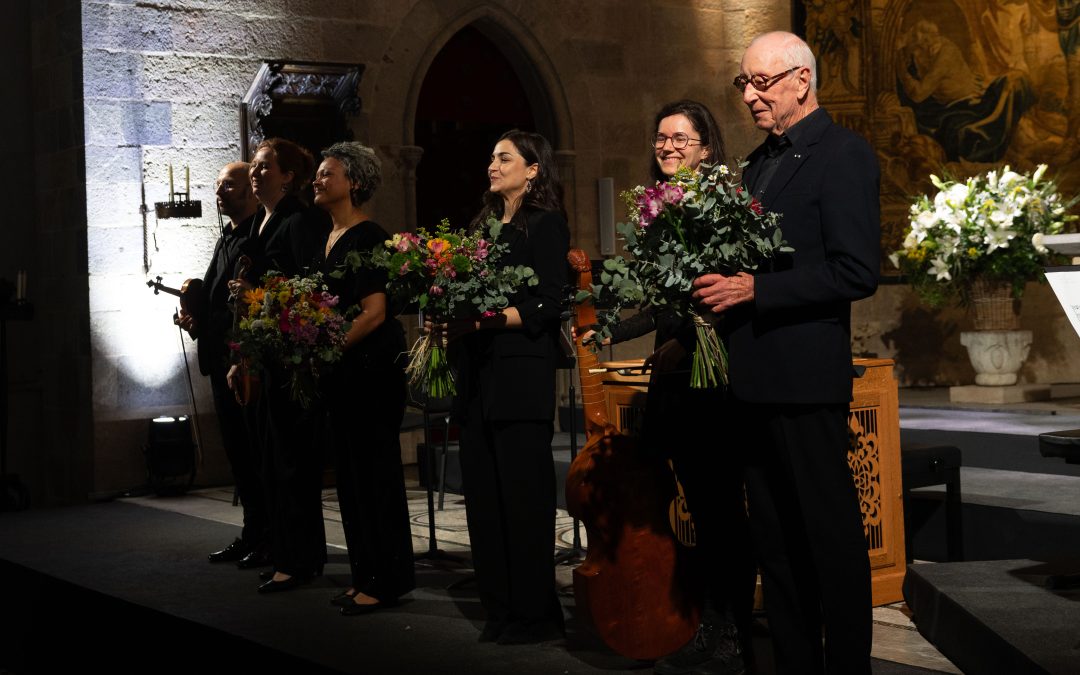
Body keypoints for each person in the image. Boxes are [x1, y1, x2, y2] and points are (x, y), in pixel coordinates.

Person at [692, 31, 880, 674]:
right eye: (743, 83)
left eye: (761, 82)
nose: (749, 95)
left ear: (802, 80)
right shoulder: (751, 167)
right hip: (750, 380)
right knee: (773, 542)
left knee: (828, 538)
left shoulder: (842, 154)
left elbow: (856, 272)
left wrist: (756, 288)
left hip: (804, 380)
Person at [582, 101, 755, 675]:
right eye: (660, 137)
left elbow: (721, 300)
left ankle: (732, 631)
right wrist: (604, 330)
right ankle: (699, 617)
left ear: (707, 146)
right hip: (678, 386)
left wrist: (687, 339)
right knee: (694, 512)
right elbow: (663, 304)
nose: (668, 146)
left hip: (715, 384)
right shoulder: (661, 210)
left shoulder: (724, 203)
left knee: (721, 513)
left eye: (681, 137)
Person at [432, 130, 570, 644]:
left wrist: (486, 321)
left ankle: (535, 615)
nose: (493, 164)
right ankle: (501, 607)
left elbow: (548, 304)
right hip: (478, 380)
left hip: (519, 378)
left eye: (504, 157)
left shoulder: (545, 224)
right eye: (491, 156)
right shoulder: (483, 228)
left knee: (523, 503)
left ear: (533, 169)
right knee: (485, 503)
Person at [311, 141, 415, 615]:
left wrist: (324, 350)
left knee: (375, 477)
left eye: (327, 173)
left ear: (353, 182)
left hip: (370, 372)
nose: (318, 179)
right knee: (350, 479)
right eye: (317, 172)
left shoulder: (369, 236)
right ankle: (364, 575)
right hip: (344, 374)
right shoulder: (328, 237)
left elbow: (374, 313)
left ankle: (387, 579)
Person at [229, 137, 331, 592]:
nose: (256, 172)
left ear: (288, 175)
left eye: (265, 166)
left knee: (293, 463)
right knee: (272, 461)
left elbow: (305, 284)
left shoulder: (299, 219)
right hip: (266, 352)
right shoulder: (260, 224)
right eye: (253, 165)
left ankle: (301, 559)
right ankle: (284, 551)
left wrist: (261, 291)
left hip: (293, 355)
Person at [177, 161, 268, 567]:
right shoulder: (226, 238)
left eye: (228, 184)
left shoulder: (257, 237)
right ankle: (253, 533)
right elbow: (218, 302)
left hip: (245, 363)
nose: (219, 191)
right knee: (238, 454)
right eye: (217, 184)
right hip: (220, 359)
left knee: (256, 453)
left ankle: (269, 536)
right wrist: (198, 323)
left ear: (250, 188)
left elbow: (252, 303)